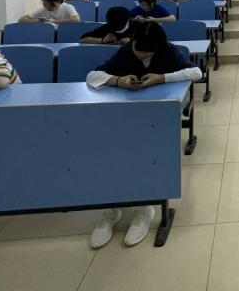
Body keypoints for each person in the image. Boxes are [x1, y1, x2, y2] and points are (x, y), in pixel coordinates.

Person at [86, 22, 202, 248]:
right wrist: (118, 81)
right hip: (126, 113)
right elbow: (92, 75)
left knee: (145, 154)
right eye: (138, 50)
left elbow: (196, 72)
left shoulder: (168, 50)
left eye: (147, 53)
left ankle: (145, 207)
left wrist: (161, 78)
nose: (142, 56)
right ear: (132, 42)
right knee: (108, 153)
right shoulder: (125, 51)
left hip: (158, 114)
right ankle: (111, 209)